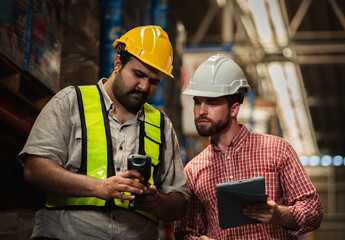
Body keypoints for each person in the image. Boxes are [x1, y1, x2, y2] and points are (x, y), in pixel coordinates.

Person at [18, 25, 189, 240]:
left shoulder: (163, 126)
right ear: (118, 63)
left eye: (154, 81)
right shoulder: (71, 102)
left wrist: (156, 202)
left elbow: (180, 203)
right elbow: (35, 170)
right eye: (138, 74)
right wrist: (99, 187)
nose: (144, 87)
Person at [174, 54, 323, 240]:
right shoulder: (193, 171)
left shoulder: (277, 150)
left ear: (234, 108)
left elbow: (313, 209)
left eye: (211, 103)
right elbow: (184, 232)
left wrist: (279, 214)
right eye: (197, 102)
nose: (201, 111)